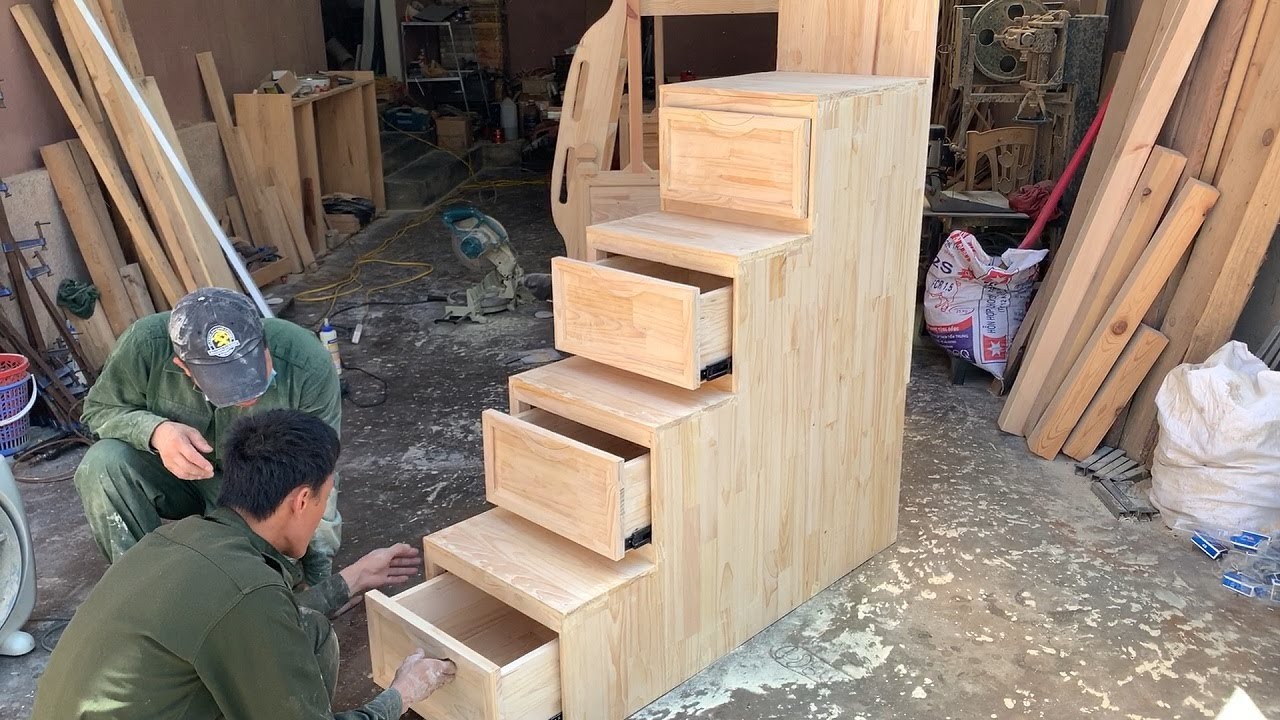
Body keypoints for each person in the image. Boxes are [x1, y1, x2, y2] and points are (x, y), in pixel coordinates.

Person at [34, 409, 456, 719]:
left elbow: (266, 616)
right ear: (302, 501)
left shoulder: (182, 539)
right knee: (307, 643)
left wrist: (356, 577)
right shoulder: (247, 592)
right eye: (324, 499)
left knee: (309, 632)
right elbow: (255, 609)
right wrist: (401, 694)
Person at [75, 287, 343, 583]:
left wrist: (321, 575)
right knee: (102, 464)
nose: (246, 397)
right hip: (177, 480)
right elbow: (99, 409)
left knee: (252, 587)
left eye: (254, 371)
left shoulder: (306, 362)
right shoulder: (145, 345)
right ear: (183, 367)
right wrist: (155, 431)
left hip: (254, 490)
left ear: (265, 343)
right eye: (227, 386)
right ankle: (144, 587)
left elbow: (320, 476)